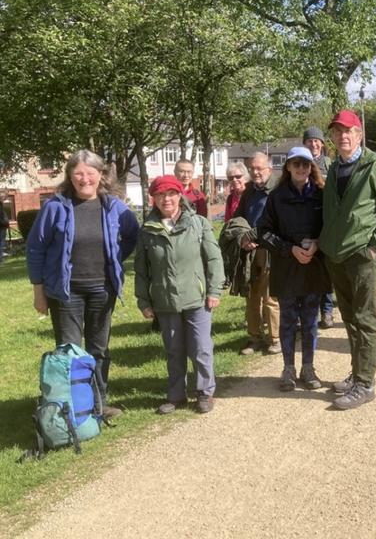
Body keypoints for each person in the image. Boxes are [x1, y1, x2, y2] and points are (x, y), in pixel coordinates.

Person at [27, 150, 140, 418]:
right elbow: (36, 250)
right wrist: (39, 293)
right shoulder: (54, 207)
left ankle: (99, 403)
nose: (84, 178)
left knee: (98, 349)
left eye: (90, 173)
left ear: (100, 175)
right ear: (69, 176)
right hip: (66, 292)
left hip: (102, 289)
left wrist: (113, 258)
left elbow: (131, 234)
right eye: (78, 173)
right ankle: (74, 408)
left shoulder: (114, 206)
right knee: (70, 351)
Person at [319, 110, 376, 410]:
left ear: (359, 135)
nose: (343, 135)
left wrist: (374, 244)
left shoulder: (374, 164)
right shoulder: (333, 168)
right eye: (337, 131)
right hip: (336, 256)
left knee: (366, 319)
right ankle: (357, 373)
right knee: (350, 319)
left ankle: (366, 384)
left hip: (361, 255)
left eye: (348, 130)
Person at [135, 175, 224, 414]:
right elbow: (141, 270)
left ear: (179, 196)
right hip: (165, 301)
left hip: (197, 298)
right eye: (161, 195)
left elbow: (213, 259)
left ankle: (205, 392)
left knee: (200, 347)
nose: (167, 199)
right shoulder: (147, 231)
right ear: (153, 199)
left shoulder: (198, 223)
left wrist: (215, 290)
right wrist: (143, 301)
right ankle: (176, 395)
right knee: (174, 350)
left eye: (171, 194)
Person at [251, 147, 330, 391]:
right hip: (286, 266)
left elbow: (331, 226)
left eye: (305, 164)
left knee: (309, 321)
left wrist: (318, 243)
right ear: (288, 167)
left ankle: (308, 367)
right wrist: (289, 249)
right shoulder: (276, 197)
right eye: (296, 164)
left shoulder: (321, 194)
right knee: (287, 321)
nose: (301, 168)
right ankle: (288, 369)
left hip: (313, 266)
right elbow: (263, 232)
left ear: (311, 167)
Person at [234, 152, 281, 355]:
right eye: (252, 168)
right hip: (250, 251)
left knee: (270, 297)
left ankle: (275, 339)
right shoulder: (248, 192)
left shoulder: (278, 190)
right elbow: (239, 218)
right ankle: (254, 337)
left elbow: (281, 221)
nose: (255, 172)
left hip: (271, 250)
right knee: (251, 295)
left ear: (269, 169)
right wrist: (243, 237)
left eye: (259, 168)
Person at [303, 126, 335, 328]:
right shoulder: (299, 162)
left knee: (325, 270)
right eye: (309, 141)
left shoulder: (329, 164)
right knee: (307, 270)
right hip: (304, 221)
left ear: (322, 144)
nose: (313, 144)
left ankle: (327, 311)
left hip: (324, 221)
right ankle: (309, 313)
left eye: (317, 141)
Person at [0, 197, 8, 263]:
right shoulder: (1, 211)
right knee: (1, 243)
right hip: (2, 228)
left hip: (2, 228)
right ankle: (1, 259)